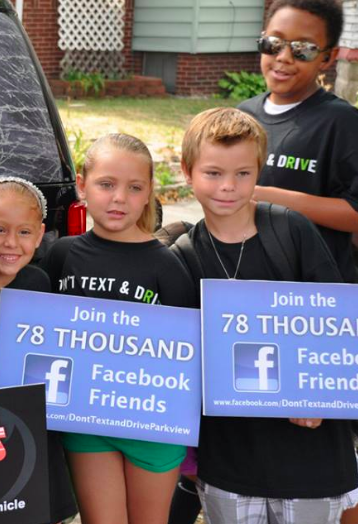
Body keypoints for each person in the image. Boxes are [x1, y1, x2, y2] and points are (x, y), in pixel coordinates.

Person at [177, 107, 358, 524]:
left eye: (243, 173)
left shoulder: (292, 231)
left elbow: (337, 323)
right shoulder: (183, 256)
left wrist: (322, 395)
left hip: (311, 457)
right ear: (187, 172)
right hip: (233, 460)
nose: (228, 187)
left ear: (259, 171)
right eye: (213, 173)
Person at [43, 133, 197, 524]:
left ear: (149, 194)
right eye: (106, 184)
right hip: (87, 421)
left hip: (152, 424)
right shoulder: (61, 255)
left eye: (134, 188)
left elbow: (189, 352)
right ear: (82, 184)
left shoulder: (167, 265)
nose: (118, 198)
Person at [0, 176, 78, 524]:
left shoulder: (38, 284)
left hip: (28, 441)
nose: (11, 243)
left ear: (41, 232)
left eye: (25, 232)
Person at [238, 0, 358, 284]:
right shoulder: (243, 115)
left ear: (327, 58)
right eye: (274, 43)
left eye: (303, 49)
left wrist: (266, 197)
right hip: (248, 283)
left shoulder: (342, 122)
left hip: (315, 291)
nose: (284, 57)